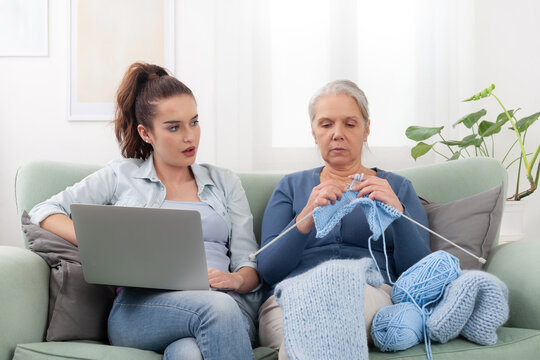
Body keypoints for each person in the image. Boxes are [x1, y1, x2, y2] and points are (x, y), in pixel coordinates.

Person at [28, 62, 260, 360]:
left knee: (187, 353)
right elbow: (45, 210)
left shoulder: (225, 181)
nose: (190, 136)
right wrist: (99, 242)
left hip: (224, 303)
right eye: (174, 127)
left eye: (194, 121)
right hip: (143, 310)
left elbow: (249, 263)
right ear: (146, 133)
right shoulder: (121, 176)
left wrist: (237, 280)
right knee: (217, 310)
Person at [257, 80, 431, 358]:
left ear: (366, 129)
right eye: (326, 125)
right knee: (310, 330)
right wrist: (305, 218)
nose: (337, 134)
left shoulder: (397, 187)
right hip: (290, 298)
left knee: (319, 328)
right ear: (313, 132)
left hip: (367, 293)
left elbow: (418, 271)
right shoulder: (290, 186)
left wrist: (398, 214)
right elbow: (268, 270)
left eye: (350, 124)